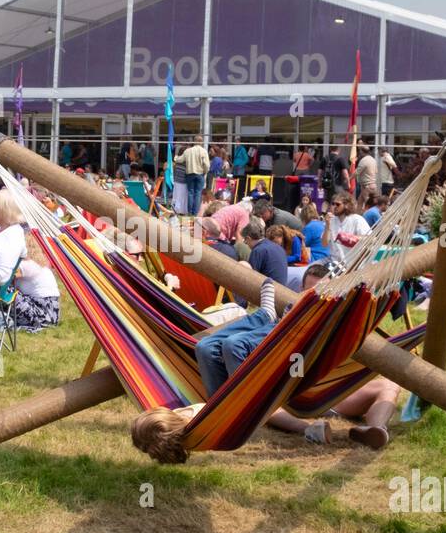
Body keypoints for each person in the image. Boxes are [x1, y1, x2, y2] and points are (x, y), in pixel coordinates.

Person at [131, 278, 332, 463]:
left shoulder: (178, 422)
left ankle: (265, 315)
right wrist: (305, 427)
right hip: (241, 409)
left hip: (225, 400)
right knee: (234, 346)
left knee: (205, 348)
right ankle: (286, 326)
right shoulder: (192, 431)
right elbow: (263, 413)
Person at [14, 234, 61, 331]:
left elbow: (3, 277)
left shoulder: (26, 265)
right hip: (51, 314)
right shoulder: (38, 263)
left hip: (39, 314)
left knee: (5, 289)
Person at [242, 220, 287, 288]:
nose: (246, 244)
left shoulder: (258, 250)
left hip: (268, 292)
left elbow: (251, 278)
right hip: (283, 291)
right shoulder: (279, 248)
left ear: (248, 238)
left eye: (245, 242)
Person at [327, 192, 369, 263]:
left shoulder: (357, 219)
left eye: (337, 204)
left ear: (346, 205)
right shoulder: (331, 220)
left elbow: (371, 239)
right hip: (334, 261)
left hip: (352, 263)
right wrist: (327, 226)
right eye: (333, 204)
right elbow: (324, 243)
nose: (334, 206)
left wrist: (351, 238)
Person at [175, 134, 209, 216]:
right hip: (200, 174)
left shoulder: (188, 151)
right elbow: (207, 165)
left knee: (190, 192)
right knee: (198, 193)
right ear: (201, 142)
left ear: (194, 141)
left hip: (189, 174)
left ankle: (190, 212)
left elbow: (180, 160)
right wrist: (205, 172)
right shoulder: (204, 151)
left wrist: (175, 157)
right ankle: (195, 213)